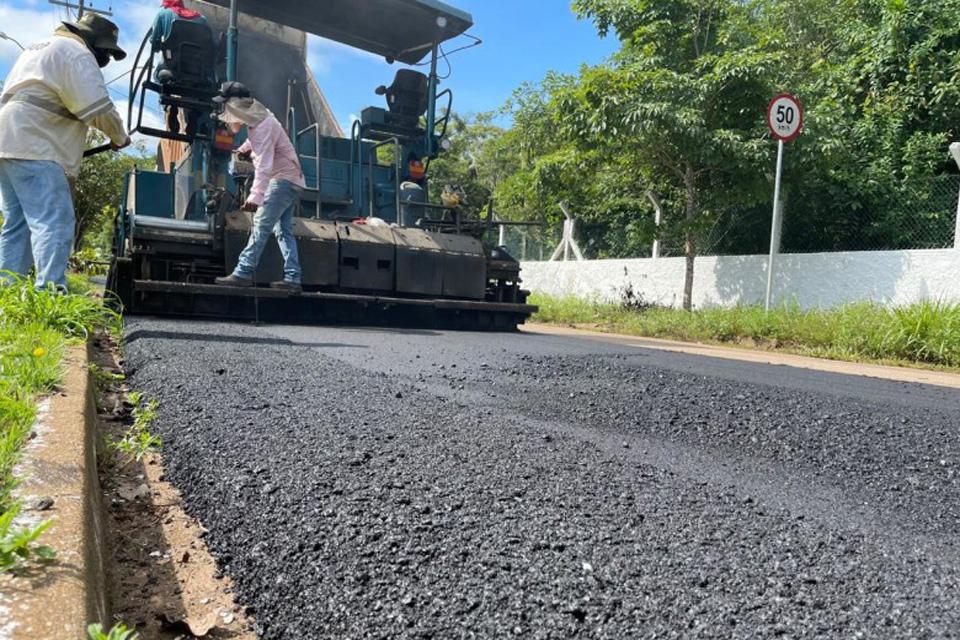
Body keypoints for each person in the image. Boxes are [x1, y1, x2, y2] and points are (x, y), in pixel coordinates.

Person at [0, 13, 131, 292]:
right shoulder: (76, 52)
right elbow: (97, 106)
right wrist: (119, 136)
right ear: (93, 42)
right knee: (55, 221)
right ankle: (50, 295)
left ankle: (8, 292)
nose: (105, 59)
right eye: (106, 51)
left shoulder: (41, 47)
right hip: (38, 144)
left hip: (9, 141)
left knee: (18, 224)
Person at [213, 82, 306, 293]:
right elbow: (256, 140)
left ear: (236, 105)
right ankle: (293, 278)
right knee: (283, 231)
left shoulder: (263, 125)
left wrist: (256, 196)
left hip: (281, 180)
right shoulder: (261, 116)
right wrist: (244, 149)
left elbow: (264, 164)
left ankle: (242, 273)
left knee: (261, 226)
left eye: (227, 107)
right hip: (292, 180)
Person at [149, 0, 210, 135]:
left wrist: (160, 45)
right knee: (208, 83)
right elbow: (212, 47)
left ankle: (170, 105)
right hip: (198, 73)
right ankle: (194, 115)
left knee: (158, 74)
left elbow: (153, 43)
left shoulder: (163, 14)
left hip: (171, 70)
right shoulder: (202, 19)